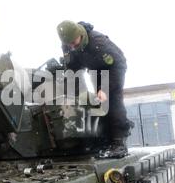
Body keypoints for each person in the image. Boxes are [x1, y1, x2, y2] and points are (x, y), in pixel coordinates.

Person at [56, 20, 132, 158]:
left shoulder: (98, 42)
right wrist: (74, 94)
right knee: (88, 102)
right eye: (69, 44)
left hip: (113, 69)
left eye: (74, 42)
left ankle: (118, 142)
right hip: (94, 70)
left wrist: (105, 88)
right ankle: (100, 140)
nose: (72, 47)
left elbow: (119, 63)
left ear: (80, 34)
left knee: (111, 101)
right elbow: (72, 68)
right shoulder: (68, 44)